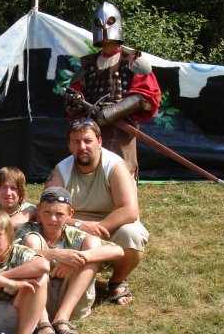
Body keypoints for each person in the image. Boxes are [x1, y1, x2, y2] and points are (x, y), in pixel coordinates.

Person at [45, 118, 148, 306]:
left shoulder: (115, 166)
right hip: (74, 227)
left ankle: (117, 280)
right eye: (76, 142)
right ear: (69, 146)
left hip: (110, 226)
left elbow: (130, 210)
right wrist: (80, 225)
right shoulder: (61, 171)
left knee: (133, 235)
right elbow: (46, 210)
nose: (82, 146)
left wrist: (98, 229)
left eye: (87, 141)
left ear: (99, 141)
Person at [16, 187, 124, 334]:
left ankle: (62, 317)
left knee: (93, 245)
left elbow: (119, 251)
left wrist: (78, 259)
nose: (52, 219)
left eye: (59, 214)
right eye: (47, 212)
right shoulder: (29, 229)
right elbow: (12, 252)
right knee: (32, 243)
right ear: (38, 209)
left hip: (70, 296)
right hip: (35, 296)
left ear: (70, 214)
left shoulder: (73, 233)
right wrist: (57, 254)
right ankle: (42, 321)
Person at [65, 1, 161, 179]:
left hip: (121, 133)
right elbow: (73, 97)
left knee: (122, 176)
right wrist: (74, 102)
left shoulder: (133, 60)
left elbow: (145, 96)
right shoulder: (88, 64)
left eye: (109, 22)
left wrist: (112, 112)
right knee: (92, 178)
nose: (104, 28)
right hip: (91, 132)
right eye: (100, 24)